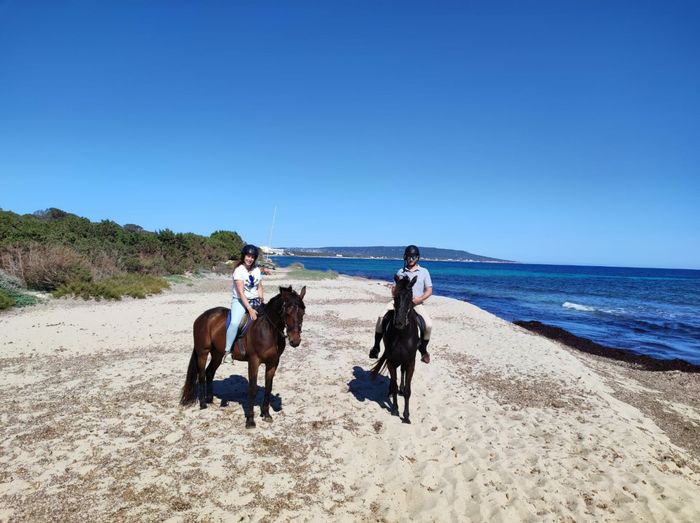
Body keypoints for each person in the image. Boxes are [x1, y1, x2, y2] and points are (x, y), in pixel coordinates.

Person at [369, 245, 433, 363]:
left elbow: (429, 290)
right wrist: (395, 291)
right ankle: (376, 346)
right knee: (381, 317)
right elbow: (394, 289)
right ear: (405, 257)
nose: (411, 259)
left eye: (413, 256)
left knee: (428, 325)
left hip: (416, 303)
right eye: (409, 256)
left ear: (417, 258)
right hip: (399, 302)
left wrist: (419, 299)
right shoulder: (400, 272)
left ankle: (423, 350)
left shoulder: (424, 272)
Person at [224, 244, 264, 359]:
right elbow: (241, 293)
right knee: (235, 323)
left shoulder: (256, 270)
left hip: (255, 300)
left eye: (252, 257)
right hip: (240, 301)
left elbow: (259, 286)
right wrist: (250, 309)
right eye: (248, 256)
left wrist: (261, 298)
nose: (250, 259)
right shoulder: (239, 271)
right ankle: (227, 351)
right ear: (243, 256)